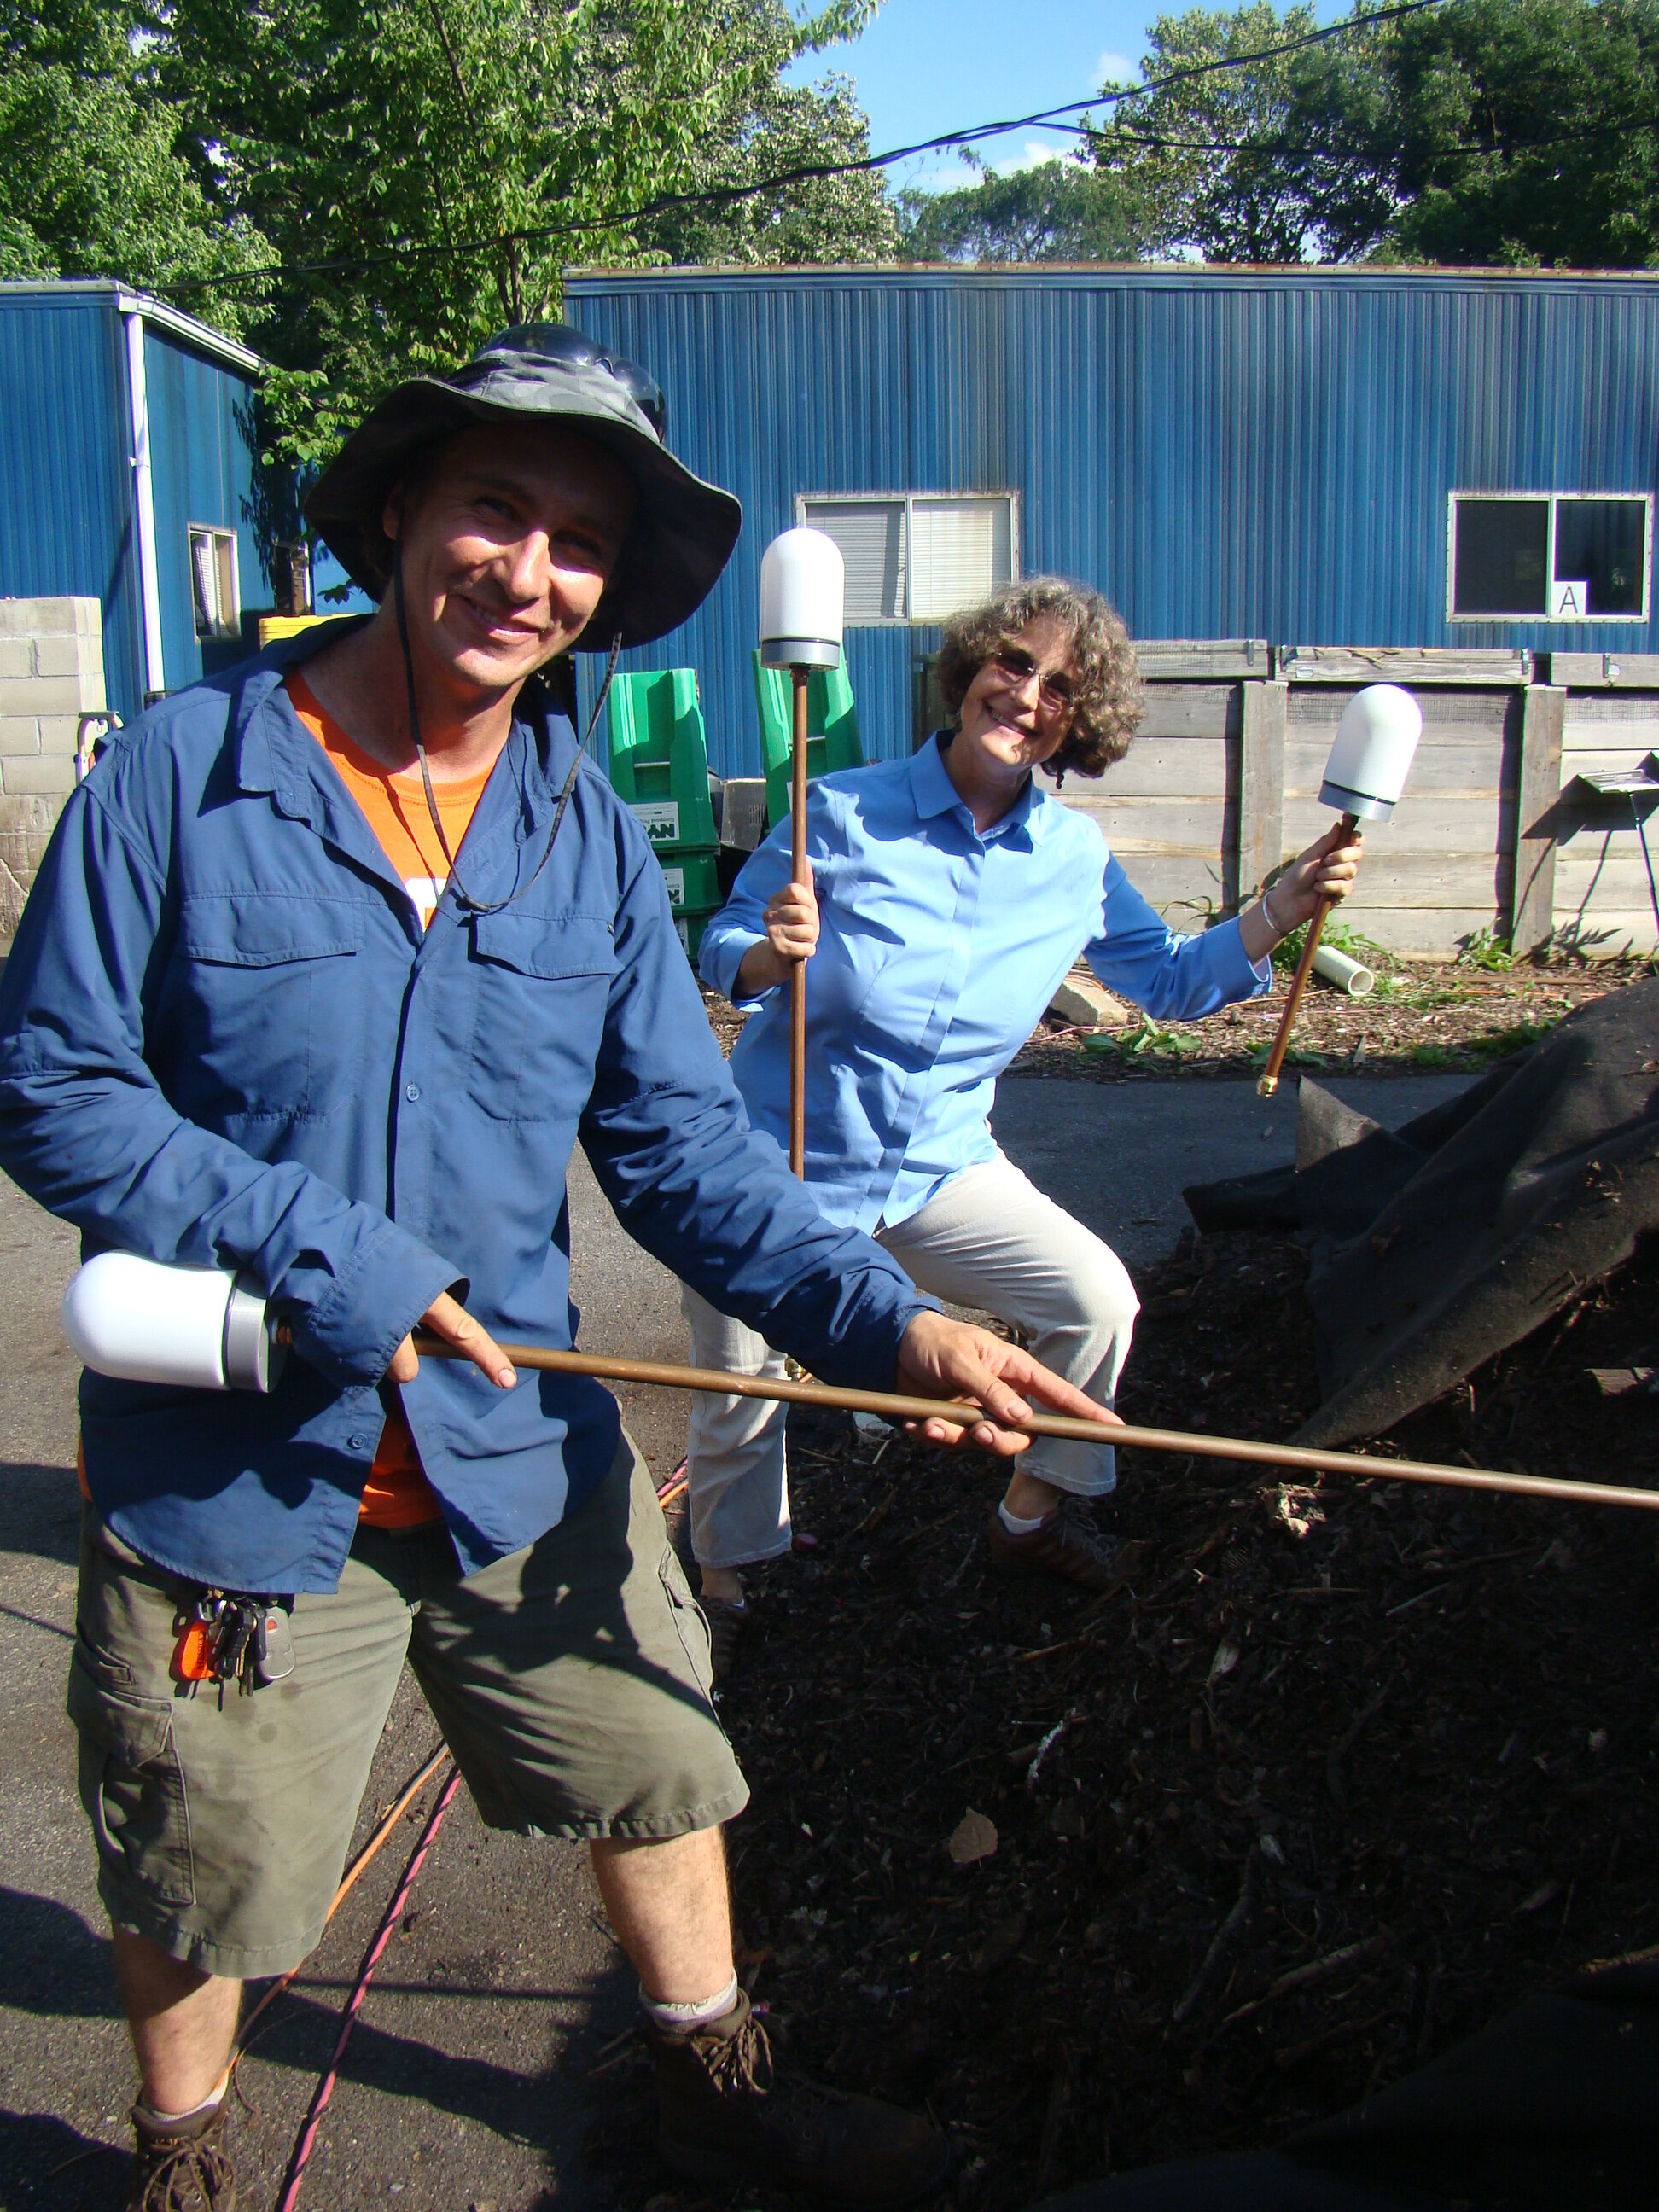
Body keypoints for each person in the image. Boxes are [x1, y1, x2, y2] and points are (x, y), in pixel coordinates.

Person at [0, 330, 1110, 2212]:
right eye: (495, 510)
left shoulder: (584, 837)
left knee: (662, 1758)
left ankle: (715, 2090)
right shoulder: (184, 783)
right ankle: (179, 2162)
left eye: (578, 541)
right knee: (208, 1860)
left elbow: (680, 1153)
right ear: (400, 518)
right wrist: (327, 1251)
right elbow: (56, 1088)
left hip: (517, 1446)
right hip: (250, 1475)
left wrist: (896, 1321)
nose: (529, 572)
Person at [686, 577, 1362, 1667]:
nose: (1028, 695)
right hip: (781, 1162)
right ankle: (727, 1591)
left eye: (1060, 687)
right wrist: (772, 950)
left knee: (1096, 1301)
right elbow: (719, 952)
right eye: (1013, 662)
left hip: (941, 1166)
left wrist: (1280, 907)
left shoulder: (1074, 860)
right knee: (739, 1386)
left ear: (1079, 723)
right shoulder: (836, 809)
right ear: (968, 670)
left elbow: (1175, 983)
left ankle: (1029, 1523)